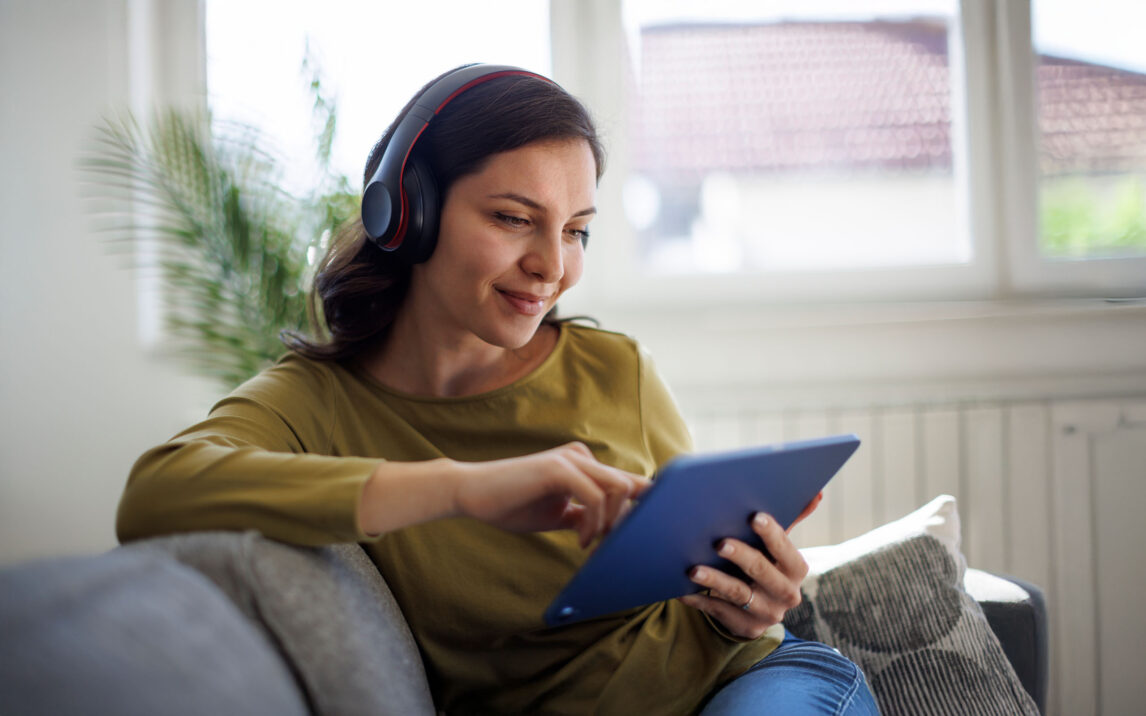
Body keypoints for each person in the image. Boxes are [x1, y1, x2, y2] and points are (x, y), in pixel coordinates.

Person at [117, 64, 878, 715]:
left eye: (576, 230)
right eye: (515, 218)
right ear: (407, 213)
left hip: (748, 684)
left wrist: (743, 607)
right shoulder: (313, 403)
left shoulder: (615, 368)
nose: (554, 266)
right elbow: (155, 493)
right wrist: (466, 489)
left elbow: (695, 575)